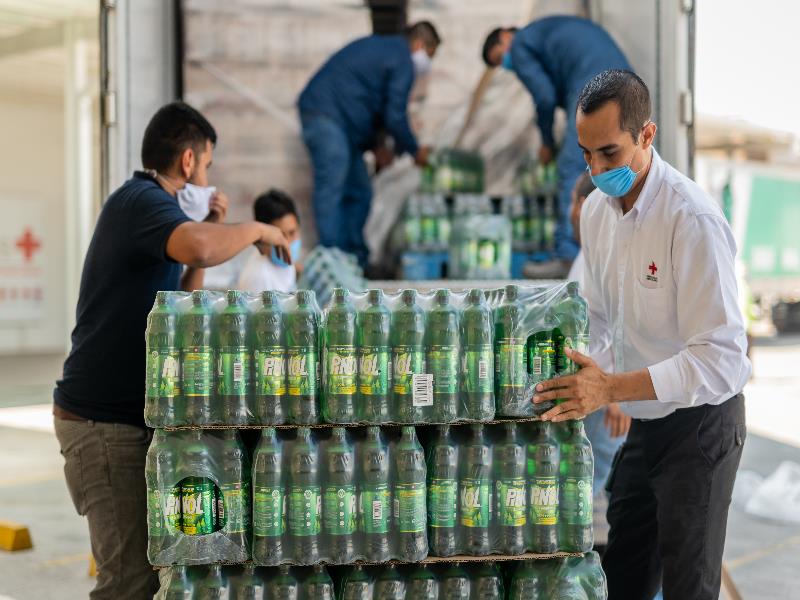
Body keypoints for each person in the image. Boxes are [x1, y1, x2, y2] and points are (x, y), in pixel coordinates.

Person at [53, 102, 290, 599]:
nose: (206, 174)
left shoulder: (156, 214)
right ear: (188, 162)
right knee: (127, 581)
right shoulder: (139, 202)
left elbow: (181, 302)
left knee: (153, 568)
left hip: (125, 420)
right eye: (206, 165)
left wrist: (205, 221)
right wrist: (259, 230)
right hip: (102, 424)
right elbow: (201, 247)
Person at [532, 70, 750, 600]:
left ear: (647, 135)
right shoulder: (598, 218)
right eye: (586, 155)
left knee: (688, 586)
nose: (596, 169)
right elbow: (603, 320)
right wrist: (571, 369)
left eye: (609, 153)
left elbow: (721, 359)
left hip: (701, 427)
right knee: (621, 575)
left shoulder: (690, 217)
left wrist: (611, 389)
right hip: (646, 425)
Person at [481, 16, 630, 278]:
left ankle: (567, 257)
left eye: (500, 56)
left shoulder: (520, 43)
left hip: (592, 87)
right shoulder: (546, 33)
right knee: (618, 167)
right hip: (625, 86)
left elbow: (545, 97)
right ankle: (623, 250)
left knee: (571, 167)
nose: (507, 65)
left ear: (506, 36)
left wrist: (547, 142)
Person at [298, 21, 440, 267]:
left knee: (360, 191)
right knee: (331, 189)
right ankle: (332, 261)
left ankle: (354, 261)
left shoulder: (386, 50)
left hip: (342, 124)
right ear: (419, 44)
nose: (427, 63)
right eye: (429, 55)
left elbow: (371, 105)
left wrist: (376, 146)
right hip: (326, 115)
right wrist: (415, 151)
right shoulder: (402, 58)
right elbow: (395, 115)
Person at [567, 170, 631, 554]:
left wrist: (620, 394)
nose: (572, 212)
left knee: (612, 499)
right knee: (592, 494)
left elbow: (626, 323)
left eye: (576, 203)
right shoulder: (590, 250)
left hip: (609, 400)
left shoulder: (607, 250)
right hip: (595, 394)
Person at [237, 188, 302, 293]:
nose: (288, 243)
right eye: (280, 236)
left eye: (292, 233)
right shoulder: (260, 279)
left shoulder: (285, 263)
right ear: (262, 239)